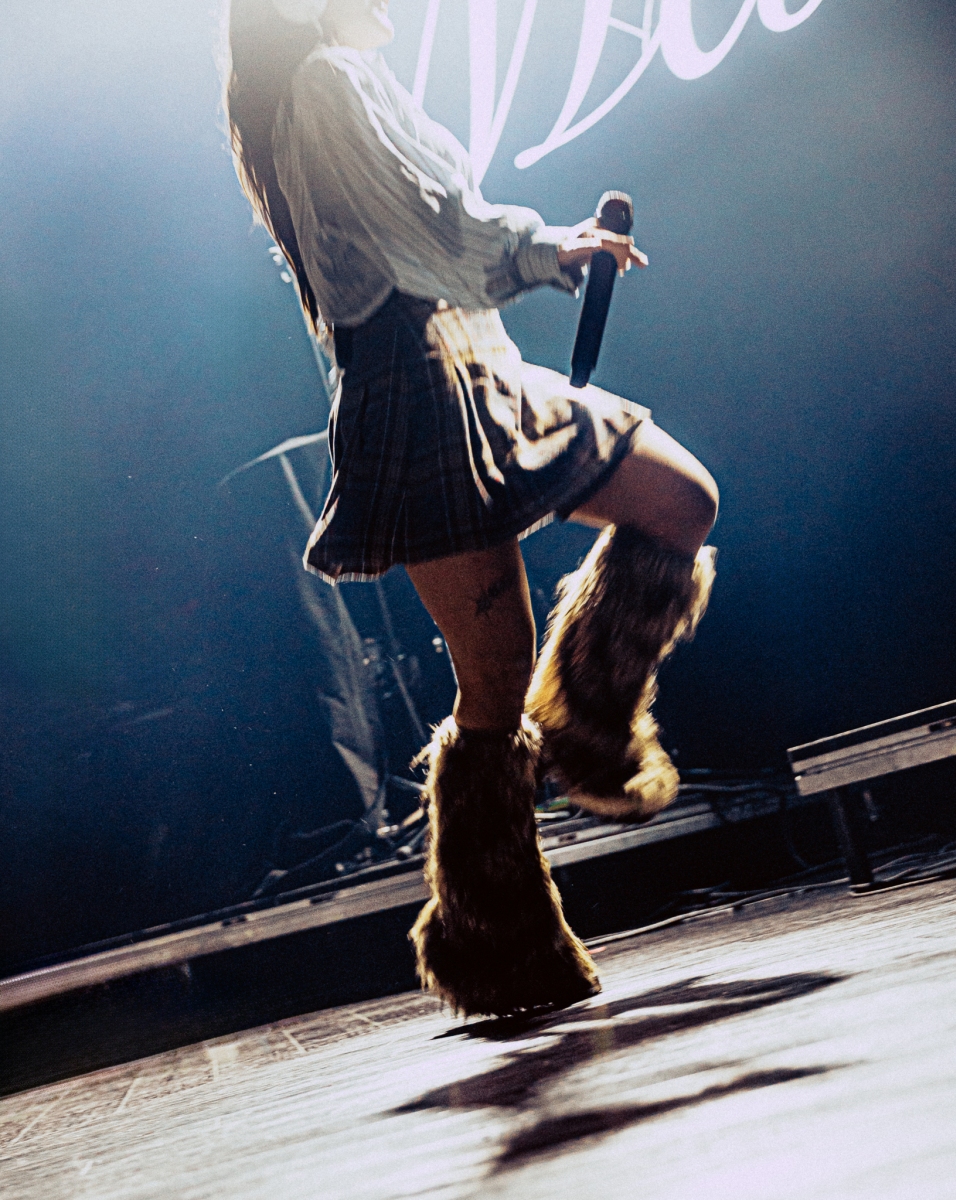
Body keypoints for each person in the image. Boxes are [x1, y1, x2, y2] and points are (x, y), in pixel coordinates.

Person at [224, 0, 718, 1017]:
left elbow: (441, 225)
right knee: (491, 689)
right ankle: (493, 941)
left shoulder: (347, 79)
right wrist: (550, 250)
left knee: (678, 502)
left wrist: (545, 250)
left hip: (477, 365)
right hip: (418, 388)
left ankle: (586, 726)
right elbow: (433, 235)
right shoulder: (324, 83)